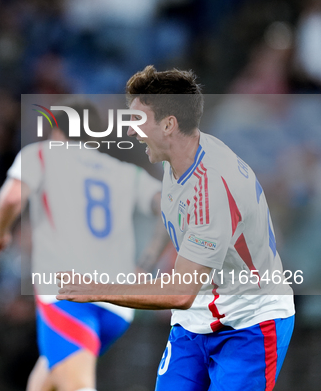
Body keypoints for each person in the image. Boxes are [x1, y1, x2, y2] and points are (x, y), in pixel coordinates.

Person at [57, 66, 295, 391]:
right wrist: (145, 266)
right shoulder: (180, 157)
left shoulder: (211, 188)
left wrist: (96, 290)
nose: (130, 132)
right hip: (196, 319)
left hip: (250, 323)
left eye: (138, 121)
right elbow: (177, 226)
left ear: (169, 125)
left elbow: (179, 293)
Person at [0, 99, 165, 391]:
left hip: (69, 295)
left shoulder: (41, 156)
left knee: (76, 385)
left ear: (56, 130)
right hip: (119, 304)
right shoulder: (122, 171)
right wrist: (146, 262)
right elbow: (174, 205)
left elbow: (12, 198)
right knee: (46, 379)